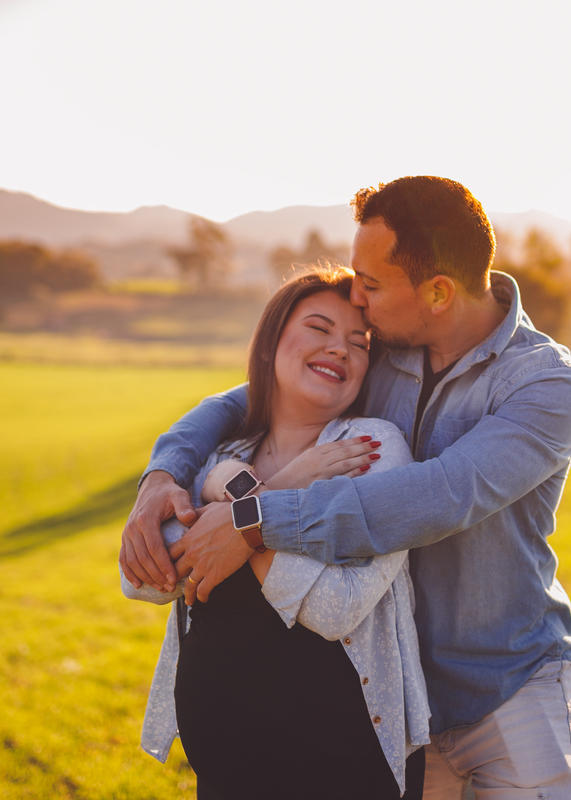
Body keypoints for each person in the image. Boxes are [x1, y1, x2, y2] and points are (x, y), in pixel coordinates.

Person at [122, 176, 571, 799]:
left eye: (369, 285)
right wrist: (164, 472)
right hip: (405, 702)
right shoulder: (383, 355)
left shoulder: (548, 385)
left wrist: (255, 520)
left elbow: (442, 495)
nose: (357, 301)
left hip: (510, 685)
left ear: (438, 292)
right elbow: (243, 400)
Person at [122, 268, 430, 799]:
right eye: (319, 328)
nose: (341, 350)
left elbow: (336, 609)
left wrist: (239, 512)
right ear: (270, 346)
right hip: (226, 775)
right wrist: (280, 485)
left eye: (359, 343)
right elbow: (146, 580)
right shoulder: (224, 454)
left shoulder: (371, 447)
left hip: (341, 769)